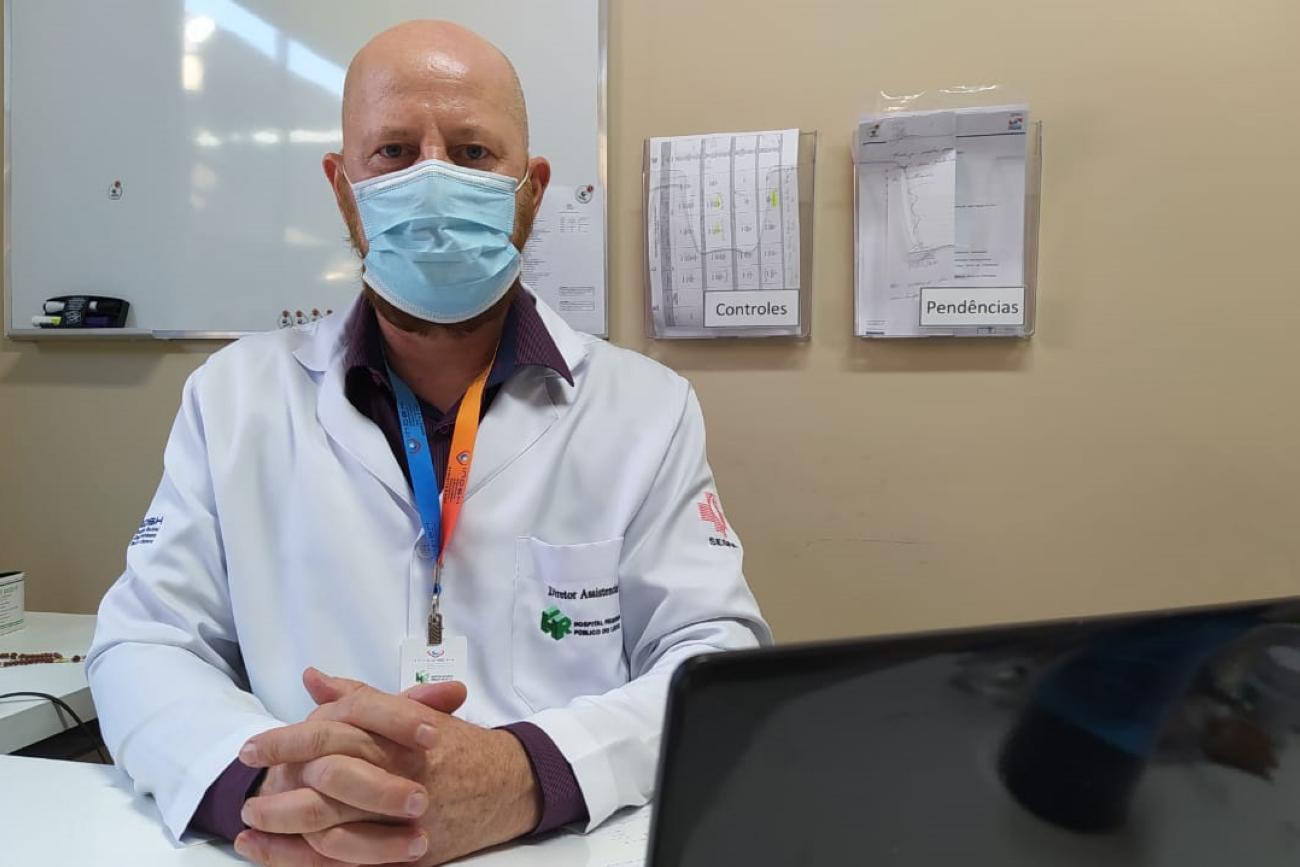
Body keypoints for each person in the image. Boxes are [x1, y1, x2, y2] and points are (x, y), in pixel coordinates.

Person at [86, 19, 769, 867]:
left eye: (474, 153)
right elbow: (144, 641)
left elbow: (714, 656)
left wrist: (526, 771)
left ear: (530, 189)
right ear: (344, 189)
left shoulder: (646, 409)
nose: (435, 181)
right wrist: (263, 782)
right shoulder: (232, 399)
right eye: (395, 152)